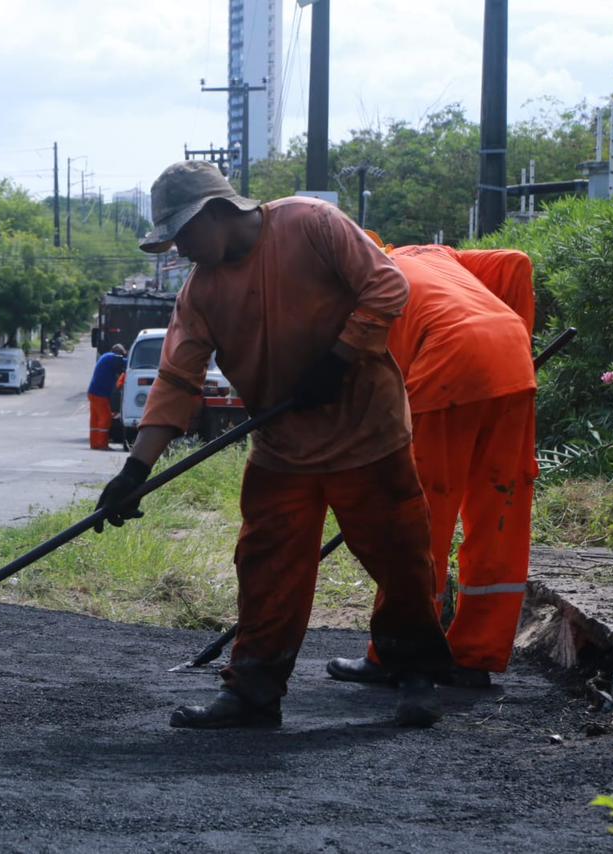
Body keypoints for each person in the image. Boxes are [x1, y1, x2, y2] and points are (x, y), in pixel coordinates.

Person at [96, 160, 452, 729]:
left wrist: (339, 360)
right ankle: (254, 691)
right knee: (265, 566)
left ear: (216, 213)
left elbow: (388, 286)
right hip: (282, 446)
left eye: (184, 235)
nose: (181, 251)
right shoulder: (201, 294)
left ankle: (414, 673)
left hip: (368, 430)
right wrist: (133, 472)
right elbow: (177, 381)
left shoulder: (311, 224)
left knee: (400, 557)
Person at [326, 244, 538, 689]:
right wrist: (514, 342)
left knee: (419, 520)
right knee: (499, 513)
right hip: (512, 357)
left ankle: (395, 655)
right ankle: (475, 657)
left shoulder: (365, 282)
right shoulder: (436, 254)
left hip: (448, 361)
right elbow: (517, 263)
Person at [88, 344, 127, 450]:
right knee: (105, 418)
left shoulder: (106, 357)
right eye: (123, 354)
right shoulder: (112, 358)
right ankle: (102, 444)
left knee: (95, 420)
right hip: (100, 394)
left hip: (93, 392)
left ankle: (94, 444)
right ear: (119, 353)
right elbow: (128, 363)